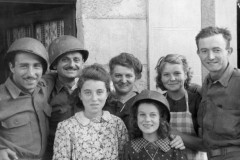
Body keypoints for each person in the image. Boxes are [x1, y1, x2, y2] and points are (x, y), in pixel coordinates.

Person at [104, 52, 185, 150]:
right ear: (111, 76)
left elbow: (161, 130)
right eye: (118, 75)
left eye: (129, 76)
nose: (124, 80)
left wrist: (176, 138)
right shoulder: (102, 102)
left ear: (137, 76)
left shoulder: (145, 102)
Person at [52, 64, 128, 160]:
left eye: (99, 92)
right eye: (88, 92)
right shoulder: (66, 128)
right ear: (80, 95)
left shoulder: (117, 124)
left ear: (107, 94)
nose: (94, 98)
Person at [0, 37, 50, 160]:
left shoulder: (44, 87)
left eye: (36, 66)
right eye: (24, 66)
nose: (31, 74)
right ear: (12, 67)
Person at [196, 26, 240, 160]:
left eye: (217, 50)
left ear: (229, 51)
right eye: (204, 51)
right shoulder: (207, 83)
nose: (210, 57)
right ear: (198, 53)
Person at [43, 35, 89, 160]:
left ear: (83, 63)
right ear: (55, 64)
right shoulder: (45, 91)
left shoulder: (89, 89)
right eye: (65, 60)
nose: (71, 64)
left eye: (76, 60)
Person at [155, 54, 207, 160]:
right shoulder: (157, 102)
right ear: (160, 78)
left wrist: (172, 133)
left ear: (186, 75)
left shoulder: (197, 101)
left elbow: (206, 145)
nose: (172, 78)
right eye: (166, 74)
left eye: (177, 73)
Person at [122, 90, 187, 160]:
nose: (147, 119)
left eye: (153, 115)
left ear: (161, 117)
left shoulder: (175, 148)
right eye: (142, 114)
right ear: (136, 117)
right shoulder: (129, 148)